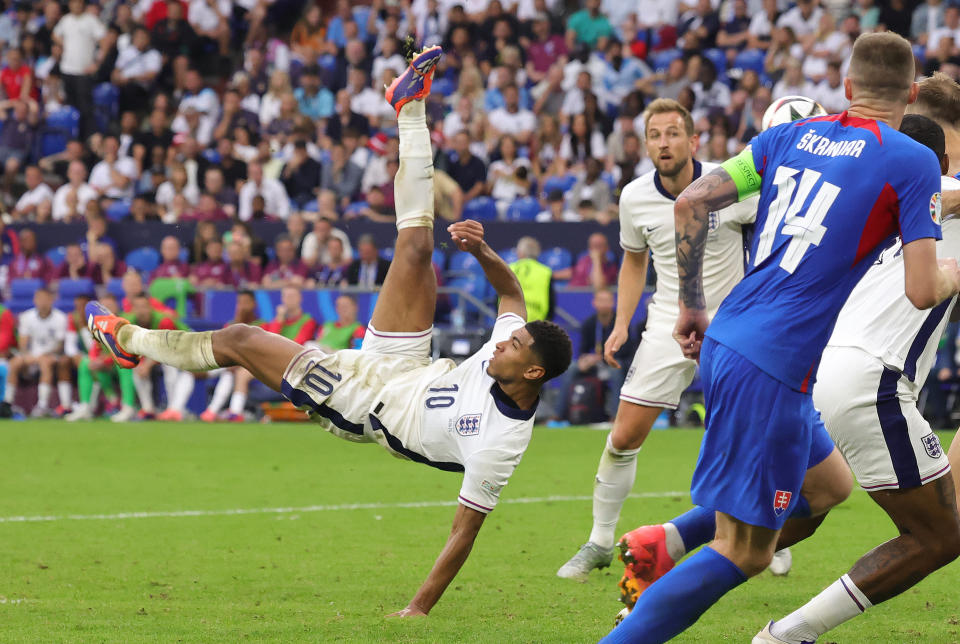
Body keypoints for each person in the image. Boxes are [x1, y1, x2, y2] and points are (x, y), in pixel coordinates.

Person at [86, 45, 572, 615]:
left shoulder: (502, 442)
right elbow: (511, 296)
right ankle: (409, 107)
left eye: (512, 346)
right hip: (407, 363)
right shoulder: (508, 352)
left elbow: (463, 533)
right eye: (508, 337)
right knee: (417, 246)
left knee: (242, 339)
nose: (502, 341)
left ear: (532, 372)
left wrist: (417, 609)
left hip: (365, 402)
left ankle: (129, 340)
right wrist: (484, 250)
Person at [602, 32, 960, 643]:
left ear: (844, 89)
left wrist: (689, 304)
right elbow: (924, 290)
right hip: (776, 361)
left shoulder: (785, 137)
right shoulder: (912, 161)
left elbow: (689, 201)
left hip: (733, 337)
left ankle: (667, 544)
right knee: (745, 552)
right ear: (909, 94)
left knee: (827, 486)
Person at [557, 97, 771, 582]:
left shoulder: (732, 183)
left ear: (693, 141)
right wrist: (620, 324)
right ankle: (598, 541)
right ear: (646, 144)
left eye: (674, 133)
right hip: (665, 326)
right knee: (623, 436)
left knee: (753, 438)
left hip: (733, 325)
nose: (664, 142)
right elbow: (635, 262)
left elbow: (766, 241)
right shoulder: (633, 197)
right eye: (655, 135)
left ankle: (767, 536)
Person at [125, 293, 194, 422]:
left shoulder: (164, 321)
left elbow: (166, 350)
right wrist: (142, 364)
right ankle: (148, 409)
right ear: (133, 309)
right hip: (157, 353)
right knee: (136, 366)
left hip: (184, 347)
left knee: (170, 366)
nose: (141, 311)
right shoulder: (129, 323)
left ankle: (174, 409)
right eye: (137, 307)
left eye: (144, 307)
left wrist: (147, 365)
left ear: (150, 308)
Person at [200, 289, 264, 423]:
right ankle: (221, 412)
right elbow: (222, 348)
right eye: (240, 303)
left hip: (249, 366)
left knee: (230, 373)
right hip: (228, 363)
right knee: (201, 370)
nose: (243, 307)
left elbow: (256, 352)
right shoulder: (230, 325)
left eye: (246, 303)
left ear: (254, 304)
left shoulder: (262, 325)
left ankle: (218, 411)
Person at [5, 286, 68, 417]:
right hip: (32, 356)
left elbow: (60, 345)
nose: (42, 302)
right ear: (35, 300)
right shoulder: (27, 316)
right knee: (14, 363)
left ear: (52, 300)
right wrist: (26, 355)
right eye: (39, 298)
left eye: (45, 299)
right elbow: (23, 343)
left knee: (45, 363)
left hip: (51, 356)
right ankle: (7, 403)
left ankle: (42, 405)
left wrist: (44, 355)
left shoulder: (60, 317)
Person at [509, 236, 554, 322]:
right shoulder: (545, 271)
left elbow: (499, 296)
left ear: (521, 252)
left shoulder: (509, 268)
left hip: (511, 320)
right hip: (536, 324)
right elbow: (551, 301)